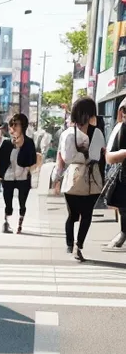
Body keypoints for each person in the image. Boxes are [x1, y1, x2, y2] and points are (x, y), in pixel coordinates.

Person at [56, 97, 105, 261]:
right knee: (86, 215)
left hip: (73, 177)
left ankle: (71, 244)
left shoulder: (67, 134)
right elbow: (98, 156)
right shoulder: (97, 132)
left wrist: (57, 176)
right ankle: (78, 245)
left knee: (72, 215)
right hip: (92, 178)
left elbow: (65, 157)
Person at [0, 113, 37, 233]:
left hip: (23, 176)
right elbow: (0, 160)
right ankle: (6, 222)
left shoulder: (29, 142)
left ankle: (20, 223)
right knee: (8, 201)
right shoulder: (6, 143)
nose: (13, 128)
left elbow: (33, 160)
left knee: (22, 202)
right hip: (8, 176)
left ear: (23, 126)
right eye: (12, 125)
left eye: (16, 125)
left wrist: (21, 148)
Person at [104, 99, 126, 249]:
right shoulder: (121, 129)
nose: (124, 114)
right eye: (123, 110)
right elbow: (109, 157)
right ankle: (123, 233)